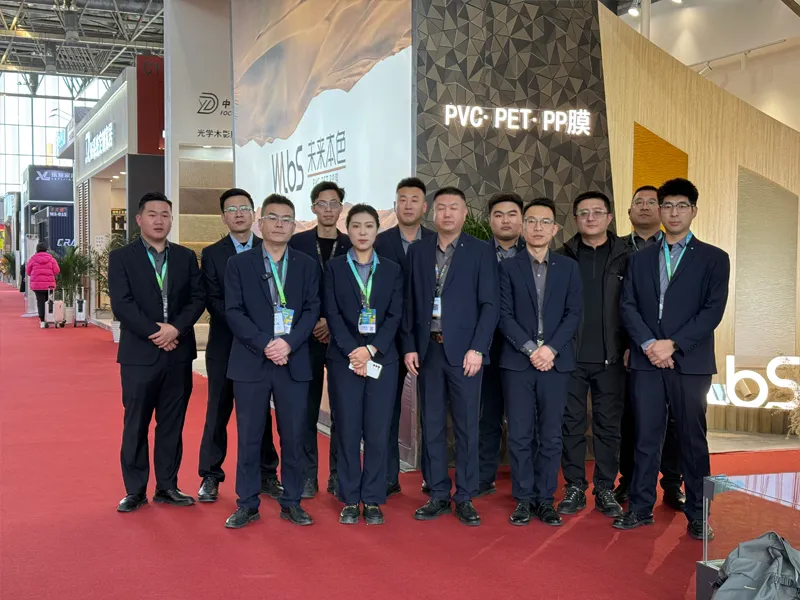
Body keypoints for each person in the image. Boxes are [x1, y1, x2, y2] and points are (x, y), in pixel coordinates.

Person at [614, 178, 730, 540]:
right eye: (667, 206)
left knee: (692, 440)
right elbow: (627, 305)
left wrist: (673, 345)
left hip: (690, 362)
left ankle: (698, 514)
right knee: (645, 436)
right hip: (647, 361)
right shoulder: (640, 258)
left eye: (682, 206)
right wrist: (651, 344)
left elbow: (712, 311)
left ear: (693, 211)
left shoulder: (714, 258)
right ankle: (640, 508)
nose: (674, 213)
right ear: (660, 210)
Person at [402, 186, 499, 526]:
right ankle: (438, 493)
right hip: (428, 351)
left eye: (453, 207)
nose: (447, 213)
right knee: (430, 424)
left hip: (466, 354)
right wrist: (410, 345)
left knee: (466, 426)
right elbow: (409, 302)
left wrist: (478, 348)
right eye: (441, 207)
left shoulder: (481, 251)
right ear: (432, 212)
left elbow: (490, 305)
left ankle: (466, 496)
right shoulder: (418, 251)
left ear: (465, 213)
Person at [223, 194, 320, 528]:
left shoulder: (306, 264)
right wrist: (265, 343)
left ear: (294, 225)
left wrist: (288, 343)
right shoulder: (238, 264)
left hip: (293, 360)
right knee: (250, 436)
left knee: (293, 435)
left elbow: (312, 309)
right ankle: (247, 503)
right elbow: (233, 311)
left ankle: (291, 501)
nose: (280, 225)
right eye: (273, 218)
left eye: (287, 219)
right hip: (252, 360)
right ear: (260, 223)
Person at [109, 191, 206, 513]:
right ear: (139, 219)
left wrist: (175, 329)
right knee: (135, 423)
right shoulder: (122, 258)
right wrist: (156, 332)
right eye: (152, 214)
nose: (159, 220)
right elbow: (122, 304)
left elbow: (197, 298)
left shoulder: (185, 257)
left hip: (177, 354)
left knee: (172, 424)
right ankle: (135, 490)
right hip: (139, 355)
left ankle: (167, 486)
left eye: (165, 214)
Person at [498, 198, 582, 527]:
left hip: (556, 364)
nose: (537, 227)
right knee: (519, 434)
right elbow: (504, 315)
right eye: (531, 221)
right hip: (518, 363)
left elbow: (574, 314)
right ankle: (523, 498)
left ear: (555, 228)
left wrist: (552, 350)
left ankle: (546, 499)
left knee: (551, 434)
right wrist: (532, 349)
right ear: (522, 227)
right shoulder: (507, 267)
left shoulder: (568, 267)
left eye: (545, 222)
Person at [197, 188, 281, 503]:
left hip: (261, 348)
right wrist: (246, 327)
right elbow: (214, 300)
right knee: (218, 411)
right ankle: (210, 475)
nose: (239, 214)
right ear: (224, 217)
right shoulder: (212, 253)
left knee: (262, 414)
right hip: (225, 345)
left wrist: (258, 335)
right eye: (232, 209)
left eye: (244, 208)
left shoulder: (269, 248)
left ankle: (267, 474)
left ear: (254, 213)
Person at [325, 204, 404, 525]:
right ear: (348, 229)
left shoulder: (391, 269)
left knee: (377, 429)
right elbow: (332, 313)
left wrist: (370, 349)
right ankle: (349, 497)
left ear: (376, 230)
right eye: (356, 226)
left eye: (368, 226)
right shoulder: (333, 268)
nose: (362, 232)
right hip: (344, 360)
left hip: (382, 359)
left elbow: (395, 315)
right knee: (347, 428)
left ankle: (372, 498)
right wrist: (353, 351)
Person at [555, 191, 628, 519]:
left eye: (598, 212)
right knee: (570, 424)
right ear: (575, 219)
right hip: (570, 356)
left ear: (609, 217)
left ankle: (605, 487)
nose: (591, 218)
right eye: (583, 213)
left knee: (608, 426)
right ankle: (574, 485)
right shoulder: (562, 257)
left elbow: (634, 305)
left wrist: (630, 346)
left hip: (613, 357)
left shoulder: (627, 257)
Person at [616, 185, 684, 510]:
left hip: (672, 351)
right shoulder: (615, 249)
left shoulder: (680, 250)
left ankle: (672, 483)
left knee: (674, 421)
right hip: (629, 351)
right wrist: (631, 344)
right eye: (637, 202)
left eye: (651, 202)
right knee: (631, 419)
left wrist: (668, 346)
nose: (644, 207)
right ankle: (629, 482)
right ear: (628, 211)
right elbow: (616, 305)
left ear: (661, 210)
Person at [289, 181, 351, 499]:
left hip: (342, 339)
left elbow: (357, 294)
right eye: (322, 203)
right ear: (313, 207)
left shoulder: (352, 243)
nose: (328, 209)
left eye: (334, 203)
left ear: (342, 208)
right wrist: (314, 321)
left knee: (343, 409)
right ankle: (307, 474)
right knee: (307, 409)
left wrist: (332, 323)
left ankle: (339, 475)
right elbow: (290, 289)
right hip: (307, 336)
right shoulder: (297, 243)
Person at [374, 177, 436, 497]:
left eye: (414, 200)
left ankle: (432, 476)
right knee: (387, 409)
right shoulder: (379, 242)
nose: (408, 205)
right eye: (402, 199)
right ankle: (389, 475)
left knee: (432, 409)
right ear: (395, 205)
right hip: (389, 338)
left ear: (424, 207)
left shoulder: (438, 242)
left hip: (430, 338)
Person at [478, 192, 525, 496]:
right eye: (498, 214)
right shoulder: (476, 254)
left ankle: (526, 481)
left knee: (524, 417)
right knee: (488, 413)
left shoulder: (534, 253)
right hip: (486, 346)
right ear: (489, 220)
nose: (505, 220)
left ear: (522, 219)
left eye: (511, 214)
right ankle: (484, 476)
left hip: (524, 348)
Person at [26, 243, 60, 328]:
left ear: (37, 249)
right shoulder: (51, 259)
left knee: (40, 302)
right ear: (46, 249)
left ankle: (42, 321)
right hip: (49, 285)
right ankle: (50, 318)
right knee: (49, 301)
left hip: (37, 285)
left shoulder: (32, 259)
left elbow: (28, 271)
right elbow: (56, 270)